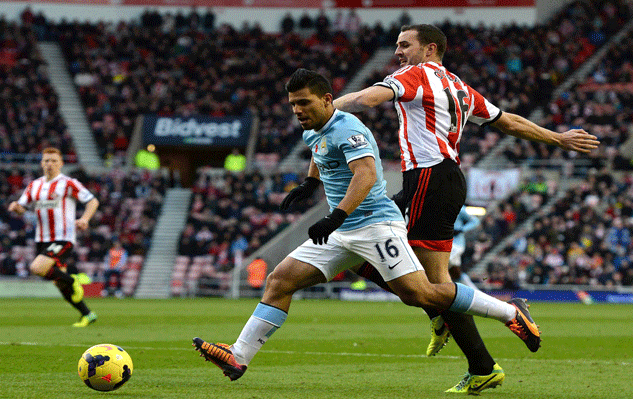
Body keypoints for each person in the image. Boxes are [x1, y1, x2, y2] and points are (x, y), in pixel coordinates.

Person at [191, 68, 541, 382]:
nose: (297, 110)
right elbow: (318, 150)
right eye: (293, 104)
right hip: (342, 232)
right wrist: (310, 183)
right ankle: (238, 356)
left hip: (375, 226)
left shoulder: (348, 128)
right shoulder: (313, 128)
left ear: (327, 100)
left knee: (421, 293)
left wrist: (336, 215)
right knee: (279, 280)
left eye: (304, 103)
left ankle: (510, 312)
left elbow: (366, 175)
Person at [332, 24, 600, 393]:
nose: (398, 52)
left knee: (414, 276)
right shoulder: (459, 86)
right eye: (397, 45)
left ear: (430, 49)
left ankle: (485, 325)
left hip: (429, 179)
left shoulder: (415, 74)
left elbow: (367, 99)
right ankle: (465, 344)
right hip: (437, 181)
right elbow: (508, 121)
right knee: (362, 248)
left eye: (405, 44)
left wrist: (326, 108)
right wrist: (556, 137)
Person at [8, 147, 100, 327]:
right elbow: (22, 208)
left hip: (63, 237)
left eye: (54, 161)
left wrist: (85, 218)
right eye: (46, 160)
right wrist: (16, 208)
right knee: (59, 283)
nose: (50, 164)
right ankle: (87, 314)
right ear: (41, 163)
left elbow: (92, 200)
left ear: (61, 163)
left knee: (37, 267)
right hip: (42, 239)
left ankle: (73, 280)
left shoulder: (68, 183)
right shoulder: (34, 185)